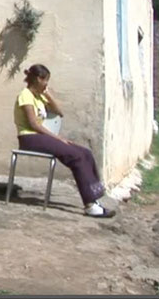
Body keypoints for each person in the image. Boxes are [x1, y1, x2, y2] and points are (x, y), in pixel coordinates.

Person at [13, 64, 115, 217]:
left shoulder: (39, 97)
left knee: (86, 153)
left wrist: (48, 95)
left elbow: (59, 112)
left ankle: (94, 195)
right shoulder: (25, 95)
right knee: (76, 156)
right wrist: (57, 138)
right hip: (29, 138)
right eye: (46, 80)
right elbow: (33, 124)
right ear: (38, 79)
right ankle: (90, 205)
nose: (47, 83)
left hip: (40, 136)